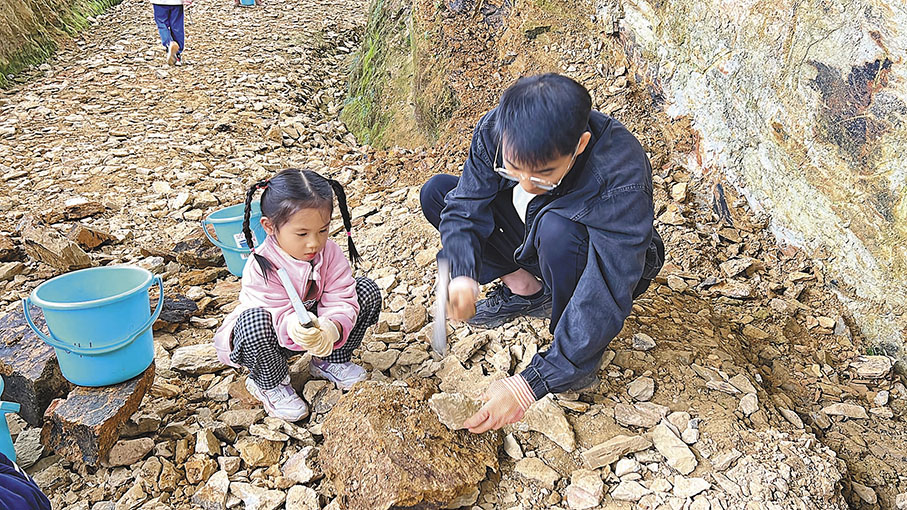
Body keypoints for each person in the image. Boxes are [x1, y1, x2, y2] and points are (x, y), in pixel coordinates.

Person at [420, 73, 664, 433]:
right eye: (513, 169)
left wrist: (531, 383)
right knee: (439, 193)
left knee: (557, 230)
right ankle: (527, 292)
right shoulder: (496, 129)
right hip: (535, 236)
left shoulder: (621, 173)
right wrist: (462, 271)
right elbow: (465, 208)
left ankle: (573, 353)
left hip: (590, 253)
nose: (525, 185)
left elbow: (608, 286)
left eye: (543, 175)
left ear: (579, 145)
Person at [213, 169, 382, 421]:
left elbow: (341, 294)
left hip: (316, 328)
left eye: (323, 231)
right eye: (302, 234)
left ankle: (329, 360)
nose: (314, 243)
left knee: (365, 291)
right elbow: (273, 311)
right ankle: (270, 383)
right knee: (252, 323)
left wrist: (332, 327)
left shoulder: (330, 253)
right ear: (269, 227)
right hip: (274, 338)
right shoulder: (261, 265)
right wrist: (295, 327)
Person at [150, 0, 191, 66]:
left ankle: (169, 43)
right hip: (177, 2)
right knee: (177, 26)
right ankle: (177, 54)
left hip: (159, 2)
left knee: (162, 24)